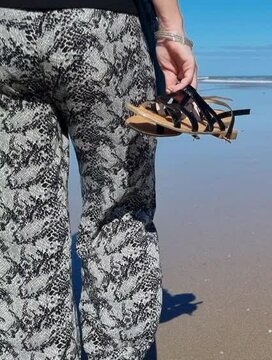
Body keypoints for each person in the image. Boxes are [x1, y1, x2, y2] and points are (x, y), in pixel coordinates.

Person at [0, 0, 196, 358]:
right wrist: (171, 28)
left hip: (5, 32)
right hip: (104, 24)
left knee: (20, 227)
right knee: (118, 218)